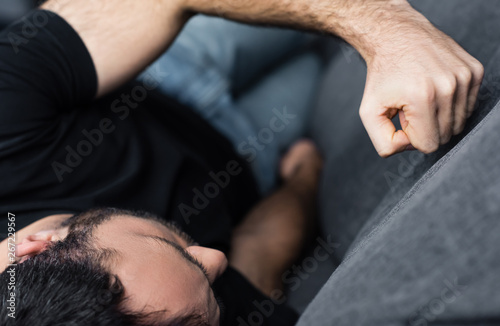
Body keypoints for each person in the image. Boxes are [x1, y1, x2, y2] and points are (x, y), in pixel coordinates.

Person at [0, 0, 484, 324]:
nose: (217, 258)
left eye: (181, 250)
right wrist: (303, 179)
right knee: (318, 67)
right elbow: (254, 259)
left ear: (35, 247)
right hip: (259, 154)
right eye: (210, 292)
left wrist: (389, 30)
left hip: (167, 63)